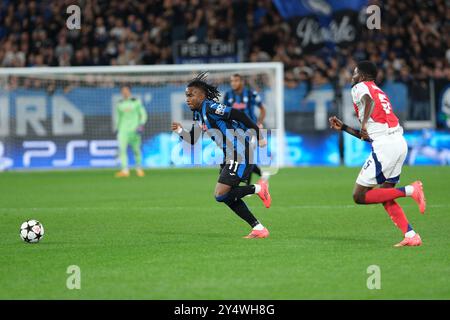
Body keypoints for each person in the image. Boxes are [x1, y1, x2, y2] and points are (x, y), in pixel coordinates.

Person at [329, 61, 426, 247]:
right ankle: (411, 235)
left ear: (363, 77)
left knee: (359, 196)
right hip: (398, 142)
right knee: (386, 194)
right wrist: (345, 128)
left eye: (355, 73)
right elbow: (371, 135)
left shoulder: (360, 88)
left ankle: (411, 190)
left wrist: (363, 124)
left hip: (385, 147)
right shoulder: (379, 91)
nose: (352, 77)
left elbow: (368, 102)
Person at [171, 72, 271, 239]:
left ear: (202, 95)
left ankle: (260, 188)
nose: (187, 99)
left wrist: (259, 135)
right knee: (225, 196)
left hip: (240, 152)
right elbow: (193, 139)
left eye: (191, 95)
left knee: (221, 194)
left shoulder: (211, 107)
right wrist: (180, 131)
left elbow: (239, 115)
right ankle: (258, 228)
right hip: (229, 155)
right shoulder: (198, 114)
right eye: (186, 95)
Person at [223, 73, 268, 185]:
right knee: (242, 156)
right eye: (232, 81)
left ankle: (248, 184)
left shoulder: (251, 93)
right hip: (235, 130)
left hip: (250, 129)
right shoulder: (228, 95)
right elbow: (224, 112)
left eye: (236, 81)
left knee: (246, 155)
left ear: (242, 82)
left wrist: (259, 123)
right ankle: (262, 174)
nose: (233, 83)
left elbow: (262, 109)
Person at [115, 85, 148, 178]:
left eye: (126, 90)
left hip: (135, 130)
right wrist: (117, 128)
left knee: (136, 150)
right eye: (123, 91)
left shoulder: (136, 102)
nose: (124, 92)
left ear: (129, 91)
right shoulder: (119, 104)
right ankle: (125, 170)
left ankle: (139, 168)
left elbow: (143, 114)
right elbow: (118, 117)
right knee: (122, 149)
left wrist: (141, 124)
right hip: (123, 130)